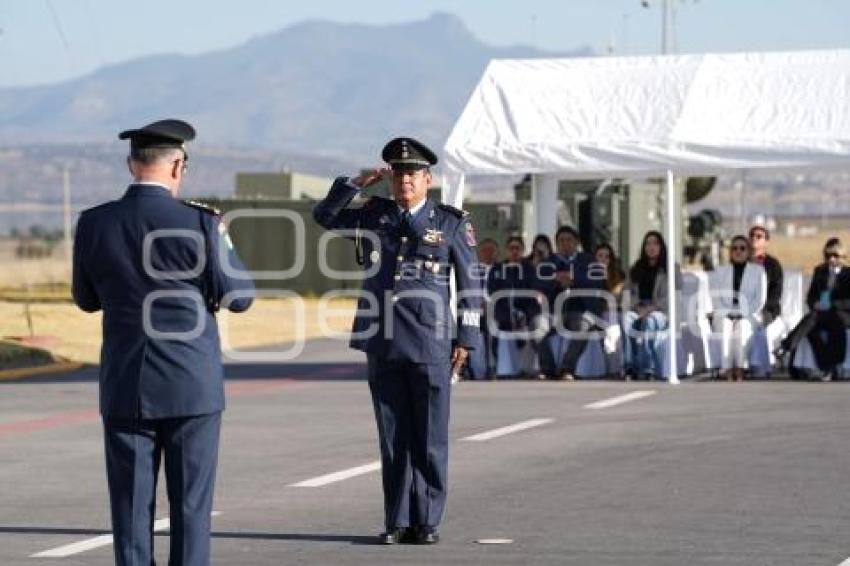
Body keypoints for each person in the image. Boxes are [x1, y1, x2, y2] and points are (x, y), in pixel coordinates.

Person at [72, 119, 255, 566]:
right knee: (191, 508)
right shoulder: (201, 222)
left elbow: (85, 299)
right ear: (178, 166)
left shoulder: (95, 223)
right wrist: (222, 238)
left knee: (131, 509)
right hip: (192, 385)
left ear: (130, 163)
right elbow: (240, 297)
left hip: (126, 384)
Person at [312, 137, 482, 545]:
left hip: (431, 341)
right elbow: (324, 215)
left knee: (429, 437)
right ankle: (397, 520)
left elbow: (472, 284)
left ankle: (426, 520)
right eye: (398, 173)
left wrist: (467, 336)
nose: (404, 181)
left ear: (428, 179)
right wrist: (357, 182)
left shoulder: (450, 222)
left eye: (412, 174)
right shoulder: (375, 214)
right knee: (393, 438)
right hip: (383, 340)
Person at [537, 226, 607, 380]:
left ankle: (567, 368)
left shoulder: (588, 260)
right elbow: (539, 284)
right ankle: (547, 369)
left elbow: (596, 282)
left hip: (579, 310)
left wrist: (573, 279)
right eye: (561, 241)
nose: (565, 244)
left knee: (583, 326)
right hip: (553, 311)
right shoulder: (548, 262)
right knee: (537, 325)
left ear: (576, 242)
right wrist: (555, 280)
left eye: (569, 240)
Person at [777, 237, 850, 380]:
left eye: (835, 255)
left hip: (842, 314)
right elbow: (811, 296)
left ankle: (785, 347)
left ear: (843, 256)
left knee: (814, 319)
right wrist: (815, 303)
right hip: (822, 313)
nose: (831, 259)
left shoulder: (848, 274)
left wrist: (832, 305)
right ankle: (827, 368)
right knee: (811, 329)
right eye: (828, 255)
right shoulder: (820, 271)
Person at [622, 231, 682, 380]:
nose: (651, 247)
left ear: (661, 246)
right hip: (638, 308)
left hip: (660, 310)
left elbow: (670, 296)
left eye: (655, 243)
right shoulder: (636, 268)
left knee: (649, 321)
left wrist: (650, 309)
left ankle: (649, 368)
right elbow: (629, 292)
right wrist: (638, 307)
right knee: (626, 320)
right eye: (648, 243)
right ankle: (630, 366)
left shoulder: (671, 268)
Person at [708, 235, 767, 381]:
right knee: (725, 325)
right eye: (734, 248)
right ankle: (727, 368)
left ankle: (740, 368)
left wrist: (742, 314)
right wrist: (729, 314)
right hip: (725, 312)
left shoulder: (758, 272)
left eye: (742, 248)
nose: (738, 251)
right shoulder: (720, 271)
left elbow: (759, 300)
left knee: (742, 326)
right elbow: (716, 298)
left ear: (748, 251)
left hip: (749, 313)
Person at [486, 235, 540, 378]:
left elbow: (534, 290)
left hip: (526, 310)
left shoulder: (529, 268)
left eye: (518, 248)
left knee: (535, 324)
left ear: (522, 250)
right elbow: (492, 291)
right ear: (506, 250)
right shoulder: (497, 269)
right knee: (495, 326)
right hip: (503, 310)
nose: (514, 252)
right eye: (511, 248)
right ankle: (498, 367)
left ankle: (530, 368)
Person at [748, 224, 784, 374]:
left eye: (759, 236)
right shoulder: (743, 262)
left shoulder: (773, 265)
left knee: (760, 328)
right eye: (752, 236)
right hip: (745, 308)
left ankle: (760, 366)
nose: (754, 239)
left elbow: (776, 293)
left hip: (766, 309)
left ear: (766, 241)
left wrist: (762, 308)